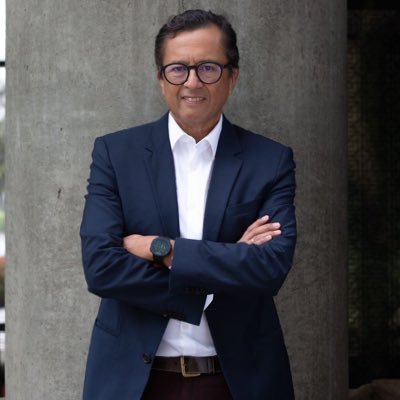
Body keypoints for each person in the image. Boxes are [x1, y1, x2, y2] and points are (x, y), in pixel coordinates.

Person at [80, 9, 296, 400]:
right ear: (161, 78)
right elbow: (101, 268)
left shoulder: (270, 161)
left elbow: (270, 267)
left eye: (208, 68)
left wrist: (161, 249)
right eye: (178, 69)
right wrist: (222, 269)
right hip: (134, 382)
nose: (192, 82)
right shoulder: (116, 154)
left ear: (232, 76)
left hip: (237, 381)